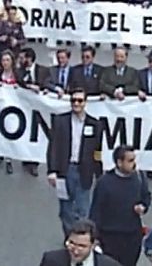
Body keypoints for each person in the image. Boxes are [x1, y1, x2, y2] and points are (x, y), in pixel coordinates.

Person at [46, 89, 104, 235]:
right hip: (64, 171)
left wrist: (99, 173)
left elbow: (97, 151)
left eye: (80, 101)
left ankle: (81, 238)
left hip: (84, 171)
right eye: (73, 100)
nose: (76, 104)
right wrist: (52, 171)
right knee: (65, 209)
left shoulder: (95, 124)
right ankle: (69, 236)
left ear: (85, 102)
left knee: (83, 209)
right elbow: (53, 147)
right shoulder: (60, 121)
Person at [89, 145, 151, 266]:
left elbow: (146, 196)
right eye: (130, 160)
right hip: (110, 235)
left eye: (134, 160)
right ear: (119, 162)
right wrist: (94, 236)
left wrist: (143, 206)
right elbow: (96, 210)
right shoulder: (105, 182)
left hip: (132, 235)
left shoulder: (140, 177)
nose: (134, 164)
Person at [39, 219, 122, 266]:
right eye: (72, 243)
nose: (75, 251)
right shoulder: (51, 261)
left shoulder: (110, 265)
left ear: (93, 245)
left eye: (81, 246)